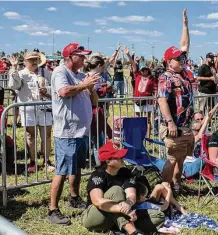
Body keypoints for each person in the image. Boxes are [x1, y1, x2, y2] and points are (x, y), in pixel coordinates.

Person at [47, 43, 99, 225]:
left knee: (77, 168)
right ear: (70, 57)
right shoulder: (60, 72)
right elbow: (63, 92)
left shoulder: (81, 76)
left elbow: (94, 102)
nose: (84, 59)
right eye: (81, 56)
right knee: (62, 171)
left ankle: (74, 197)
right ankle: (52, 209)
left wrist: (91, 88)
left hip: (81, 131)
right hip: (67, 132)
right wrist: (85, 84)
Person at [82, 142, 165, 234]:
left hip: (121, 214)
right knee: (116, 190)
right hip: (96, 216)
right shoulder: (97, 175)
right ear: (108, 161)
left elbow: (131, 195)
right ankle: (132, 231)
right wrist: (122, 209)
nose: (123, 158)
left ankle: (118, 230)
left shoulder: (125, 172)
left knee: (158, 216)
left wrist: (128, 203)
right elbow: (97, 201)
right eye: (118, 157)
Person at [157, 9, 193, 193]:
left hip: (185, 126)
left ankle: (176, 185)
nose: (182, 60)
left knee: (181, 158)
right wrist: (170, 122)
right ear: (169, 61)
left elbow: (185, 44)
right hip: (174, 126)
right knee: (171, 159)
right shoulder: (166, 77)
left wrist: (185, 25)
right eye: (178, 59)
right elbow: (162, 101)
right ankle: (165, 188)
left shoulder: (184, 72)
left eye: (182, 58)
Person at [7, 52, 55, 173]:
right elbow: (13, 86)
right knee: (31, 136)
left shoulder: (45, 72)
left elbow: (54, 86)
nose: (34, 61)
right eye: (31, 59)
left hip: (44, 107)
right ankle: (32, 161)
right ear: (25, 61)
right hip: (28, 109)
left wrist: (47, 90)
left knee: (47, 135)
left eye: (36, 59)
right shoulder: (20, 73)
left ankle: (47, 161)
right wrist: (13, 68)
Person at [126, 47, 157, 137]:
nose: (144, 71)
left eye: (145, 69)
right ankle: (138, 135)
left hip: (148, 101)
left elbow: (155, 89)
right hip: (137, 100)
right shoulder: (137, 75)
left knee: (147, 119)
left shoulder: (152, 78)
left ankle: (148, 137)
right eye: (142, 69)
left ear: (148, 69)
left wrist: (155, 100)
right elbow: (133, 64)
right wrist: (128, 55)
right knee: (137, 118)